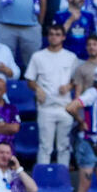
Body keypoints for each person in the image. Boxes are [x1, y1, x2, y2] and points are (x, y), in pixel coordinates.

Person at [25, 24, 79, 166]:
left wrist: (69, 86)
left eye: (57, 34)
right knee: (45, 147)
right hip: (46, 107)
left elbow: (77, 80)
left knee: (64, 147)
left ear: (63, 37)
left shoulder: (71, 57)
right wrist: (37, 88)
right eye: (51, 34)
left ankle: (63, 179)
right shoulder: (38, 56)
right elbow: (30, 80)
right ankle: (42, 180)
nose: (54, 37)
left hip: (65, 107)